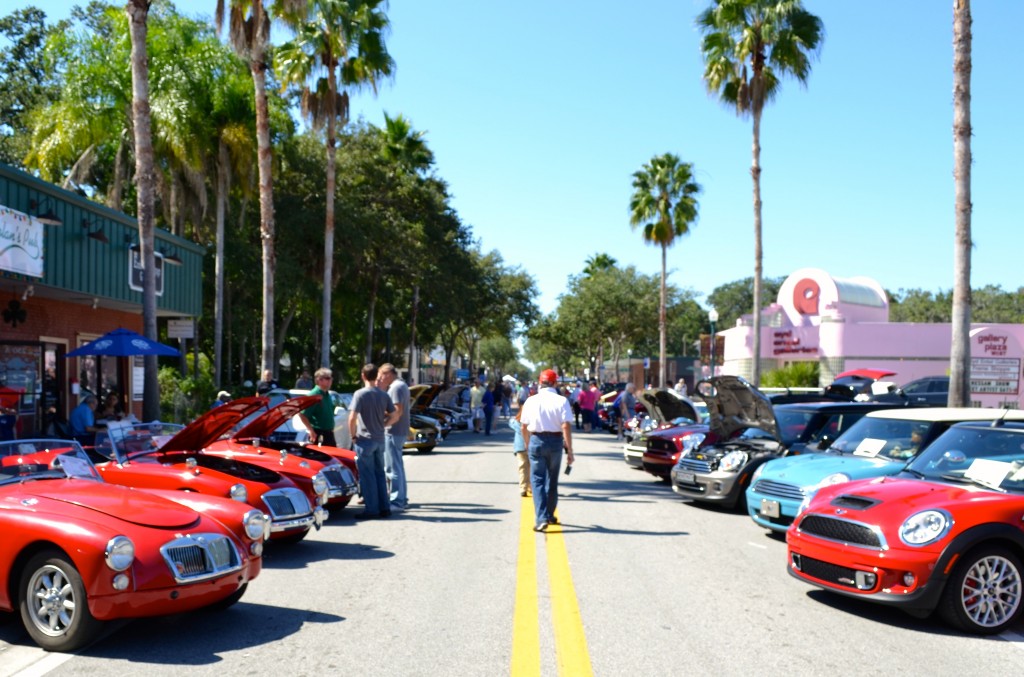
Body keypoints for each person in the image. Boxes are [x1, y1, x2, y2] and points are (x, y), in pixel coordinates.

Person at [520, 369, 574, 533]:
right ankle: (549, 515)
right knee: (552, 480)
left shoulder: (531, 400)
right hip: (556, 442)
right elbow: (565, 425)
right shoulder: (561, 400)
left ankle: (542, 517)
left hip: (536, 440)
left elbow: (523, 426)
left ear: (540, 382)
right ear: (555, 383)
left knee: (537, 480)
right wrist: (570, 450)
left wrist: (528, 443)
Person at [348, 363, 399, 520]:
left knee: (367, 475)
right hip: (379, 439)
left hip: (365, 440)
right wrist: (384, 425)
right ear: (377, 375)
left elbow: (352, 418)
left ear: (363, 376)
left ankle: (371, 509)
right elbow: (395, 415)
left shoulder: (360, 394)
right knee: (379, 474)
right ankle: (384, 507)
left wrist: (353, 436)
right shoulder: (384, 395)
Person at [377, 363, 410, 511]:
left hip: (393, 431)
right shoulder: (401, 385)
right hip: (398, 431)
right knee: (398, 466)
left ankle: (397, 501)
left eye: (381, 376)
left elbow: (397, 411)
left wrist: (384, 425)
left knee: (392, 468)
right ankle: (402, 498)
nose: (380, 379)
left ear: (388, 374)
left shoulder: (396, 388)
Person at [299, 368, 337, 447]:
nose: (330, 380)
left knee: (333, 458)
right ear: (319, 380)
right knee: (320, 459)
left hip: (328, 434)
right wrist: (310, 430)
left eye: (331, 378)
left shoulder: (326, 394)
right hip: (318, 434)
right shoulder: (314, 395)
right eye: (327, 378)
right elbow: (302, 414)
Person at [510, 406, 530, 497]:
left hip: (520, 447)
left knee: (522, 467)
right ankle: (530, 486)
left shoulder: (516, 422)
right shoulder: (533, 421)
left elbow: (510, 421)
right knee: (532, 468)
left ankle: (523, 487)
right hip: (531, 446)